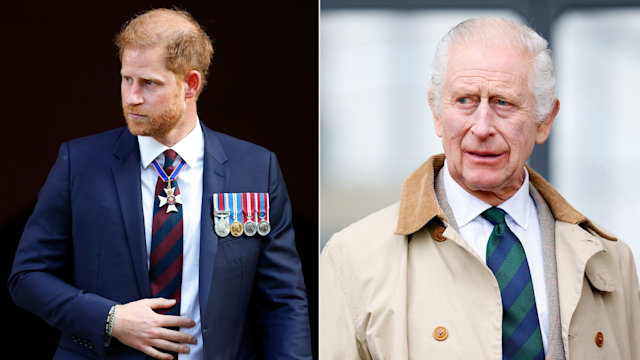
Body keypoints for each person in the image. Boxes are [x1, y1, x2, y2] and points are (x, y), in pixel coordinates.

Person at [320, 16, 640, 359]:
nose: (482, 126)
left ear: (545, 120)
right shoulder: (350, 260)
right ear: (436, 113)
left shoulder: (611, 261)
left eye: (503, 102)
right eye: (465, 101)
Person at [9, 8, 311, 360]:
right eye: (126, 79)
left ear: (191, 85)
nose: (131, 97)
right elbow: (26, 277)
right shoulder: (79, 163)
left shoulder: (256, 169)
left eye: (148, 83)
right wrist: (111, 319)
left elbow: (283, 301)